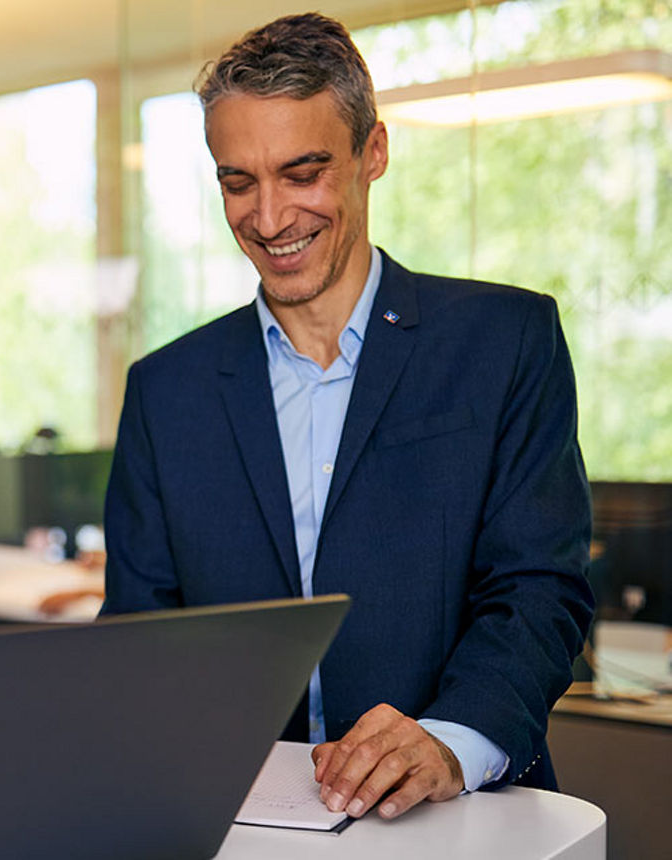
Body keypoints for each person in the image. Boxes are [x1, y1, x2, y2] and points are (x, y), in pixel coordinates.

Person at [101, 13, 593, 822]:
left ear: (374, 153)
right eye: (238, 182)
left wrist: (450, 740)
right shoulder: (166, 390)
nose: (268, 218)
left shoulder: (505, 340)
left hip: (466, 819)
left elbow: (540, 589)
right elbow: (137, 639)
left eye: (302, 173)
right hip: (245, 825)